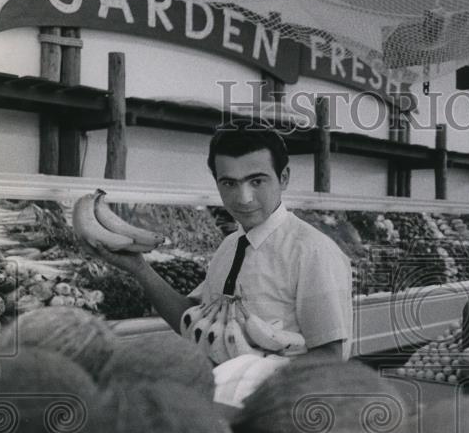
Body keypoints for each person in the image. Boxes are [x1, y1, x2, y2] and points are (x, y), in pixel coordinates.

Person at [87, 122, 352, 361]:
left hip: (280, 406)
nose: (243, 198)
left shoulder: (313, 252)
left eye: (256, 181)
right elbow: (192, 321)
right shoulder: (231, 246)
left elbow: (330, 354)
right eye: (229, 183)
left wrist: (253, 378)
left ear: (283, 178)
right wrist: (139, 269)